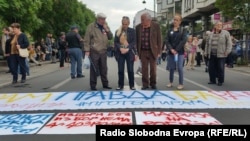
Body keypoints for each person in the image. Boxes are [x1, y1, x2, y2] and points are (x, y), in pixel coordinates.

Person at [84, 13, 113, 91]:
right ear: (98, 19)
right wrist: (87, 50)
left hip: (103, 50)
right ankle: (93, 85)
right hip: (94, 50)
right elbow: (87, 39)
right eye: (102, 19)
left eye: (105, 19)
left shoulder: (105, 26)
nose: (104, 21)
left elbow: (110, 37)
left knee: (104, 68)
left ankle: (105, 84)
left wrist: (107, 30)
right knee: (94, 69)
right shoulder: (91, 26)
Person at [135, 12, 162, 90]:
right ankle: (145, 84)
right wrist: (137, 52)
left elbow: (159, 39)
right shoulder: (138, 27)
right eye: (141, 20)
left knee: (153, 69)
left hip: (153, 51)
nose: (141, 21)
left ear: (148, 20)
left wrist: (159, 51)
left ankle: (153, 83)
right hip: (143, 51)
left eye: (143, 20)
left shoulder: (156, 26)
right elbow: (137, 40)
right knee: (144, 69)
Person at [204, 21, 232, 86]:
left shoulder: (226, 33)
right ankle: (212, 80)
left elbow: (229, 43)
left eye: (221, 25)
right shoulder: (210, 34)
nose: (220, 26)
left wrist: (227, 51)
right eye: (218, 25)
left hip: (221, 54)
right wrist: (206, 52)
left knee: (220, 68)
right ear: (215, 26)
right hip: (211, 54)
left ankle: (220, 81)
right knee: (211, 68)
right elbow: (207, 44)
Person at [114, 16, 137, 90]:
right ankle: (120, 85)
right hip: (120, 53)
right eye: (123, 24)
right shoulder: (118, 31)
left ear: (129, 23)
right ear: (122, 23)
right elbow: (116, 42)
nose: (124, 26)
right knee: (120, 70)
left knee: (130, 70)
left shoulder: (132, 31)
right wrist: (120, 48)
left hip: (129, 53)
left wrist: (128, 48)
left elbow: (134, 42)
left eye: (126, 24)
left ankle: (132, 85)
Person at [165, 13, 187, 90]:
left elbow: (183, 40)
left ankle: (181, 83)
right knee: (171, 68)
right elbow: (167, 41)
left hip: (179, 52)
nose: (175, 21)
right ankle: (170, 82)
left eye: (177, 20)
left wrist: (176, 50)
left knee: (180, 67)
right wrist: (171, 49)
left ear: (180, 21)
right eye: (174, 19)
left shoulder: (183, 30)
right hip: (171, 52)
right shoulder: (169, 30)